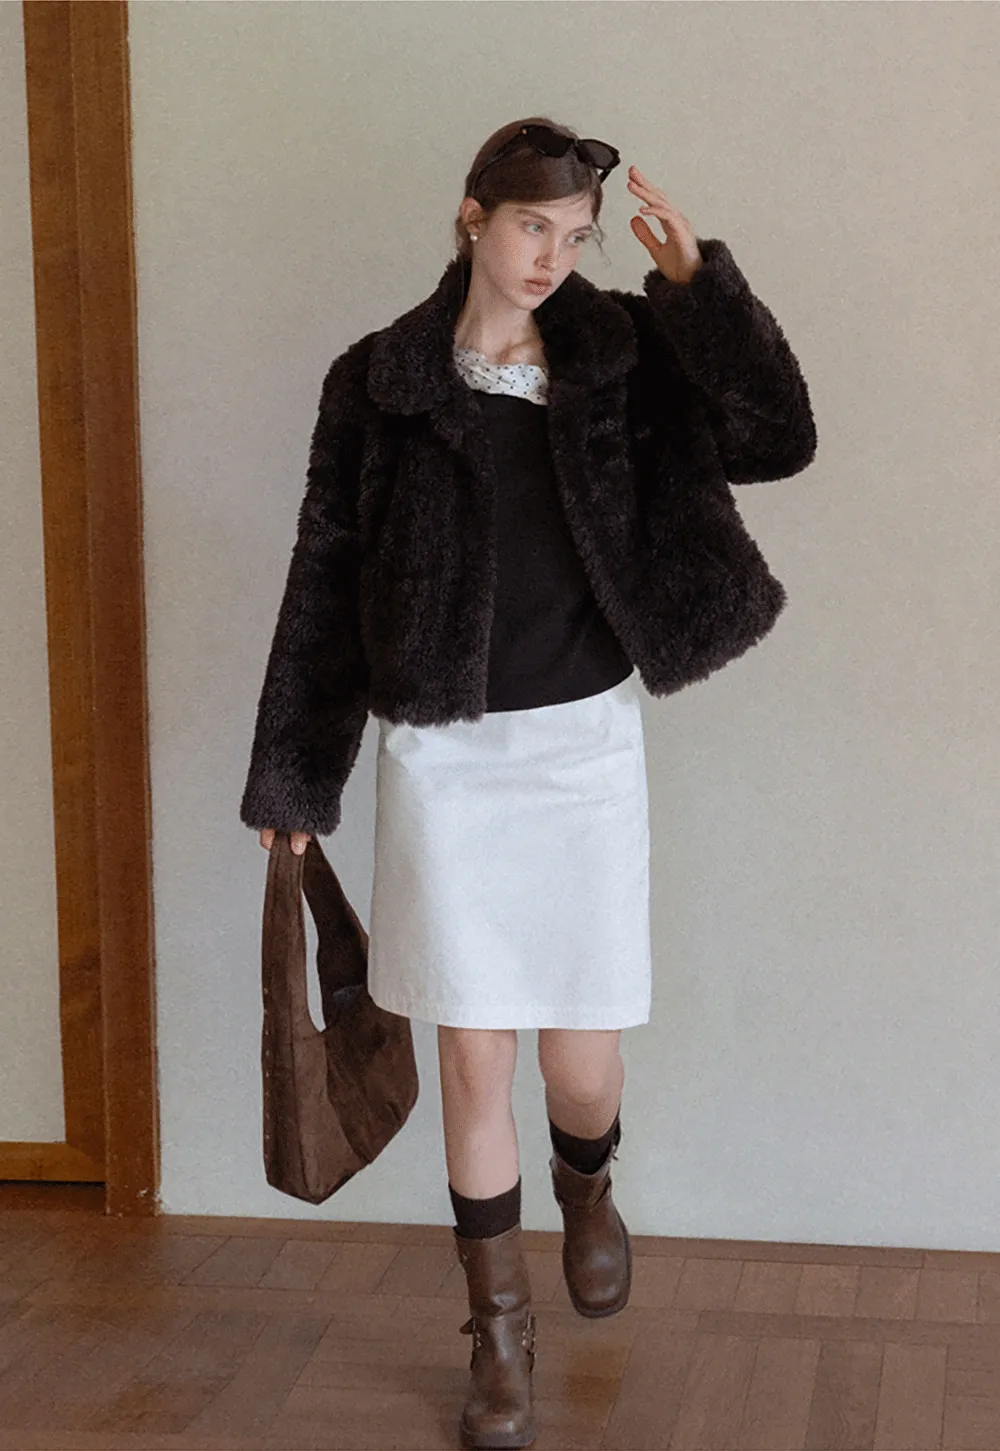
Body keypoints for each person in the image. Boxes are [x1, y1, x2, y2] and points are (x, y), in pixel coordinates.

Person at [242, 116, 816, 1450]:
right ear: (473, 217)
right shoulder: (379, 381)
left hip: (581, 750)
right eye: (531, 227)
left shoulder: (624, 354)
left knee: (582, 1056)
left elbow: (777, 439)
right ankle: (499, 1339)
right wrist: (295, 775)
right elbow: (326, 575)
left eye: (577, 236)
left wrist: (699, 290)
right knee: (472, 1052)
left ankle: (589, 1179)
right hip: (444, 758)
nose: (554, 256)